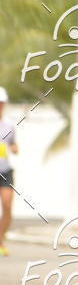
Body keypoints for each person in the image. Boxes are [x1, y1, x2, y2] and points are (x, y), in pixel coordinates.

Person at [0, 88, 17, 256]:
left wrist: (13, 147)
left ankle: (0, 239)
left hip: (5, 171)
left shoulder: (9, 126)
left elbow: (14, 145)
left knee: (7, 204)